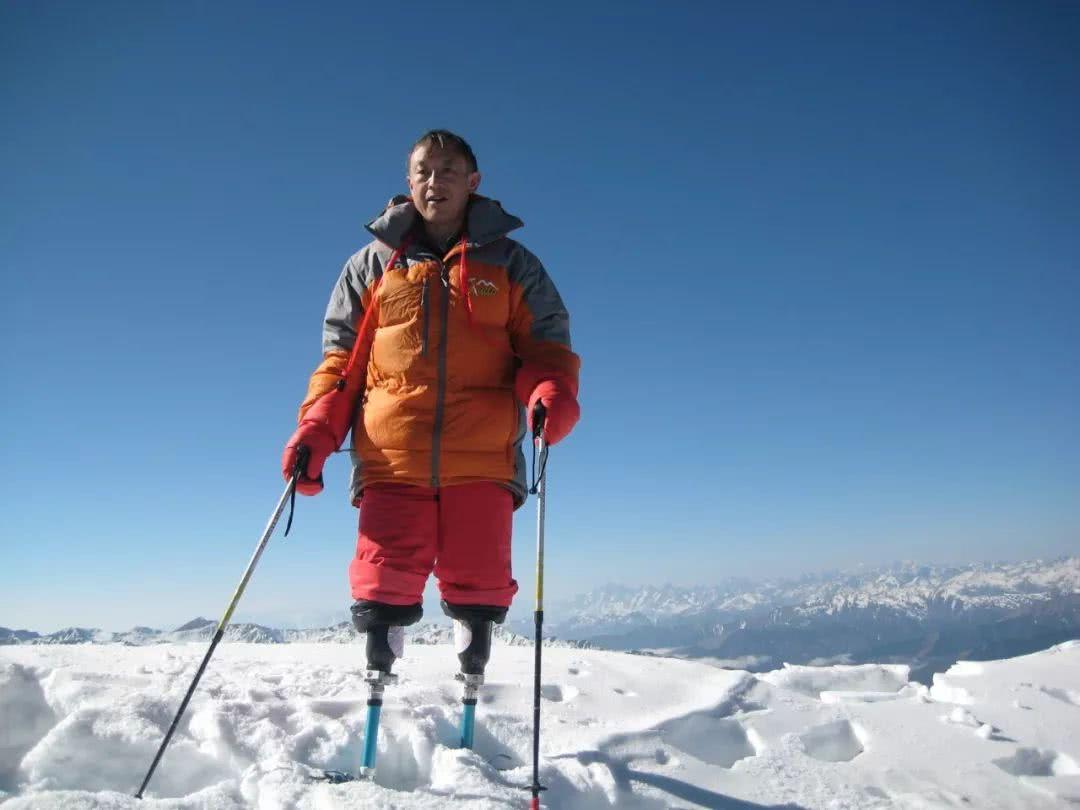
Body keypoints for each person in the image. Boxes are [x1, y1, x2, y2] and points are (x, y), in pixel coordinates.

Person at [281, 130, 580, 680]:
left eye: (446, 171)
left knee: (479, 587)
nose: (433, 182)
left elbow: (545, 347)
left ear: (473, 182)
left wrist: (549, 393)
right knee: (382, 591)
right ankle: (378, 686)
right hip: (391, 459)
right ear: (408, 182)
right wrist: (318, 429)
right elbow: (341, 364)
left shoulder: (514, 265)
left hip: (484, 460)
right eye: (422, 171)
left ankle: (472, 691)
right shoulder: (371, 266)